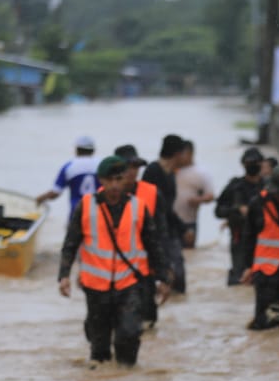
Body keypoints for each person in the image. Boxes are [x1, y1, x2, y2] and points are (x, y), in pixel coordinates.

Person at [57, 156, 172, 367]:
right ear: (101, 180)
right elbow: (71, 243)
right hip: (96, 287)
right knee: (99, 347)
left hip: (128, 284)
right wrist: (64, 275)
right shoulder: (85, 206)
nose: (114, 185)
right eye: (109, 180)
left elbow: (153, 245)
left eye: (119, 179)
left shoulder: (138, 207)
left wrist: (163, 278)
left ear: (125, 179)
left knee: (129, 334)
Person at [239, 165, 279, 330]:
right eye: (278, 192)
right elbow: (248, 237)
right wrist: (247, 266)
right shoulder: (258, 203)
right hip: (265, 271)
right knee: (263, 321)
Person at [115, 144, 171, 327]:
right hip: (112, 273)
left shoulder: (152, 194)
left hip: (144, 272)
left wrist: (164, 274)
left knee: (147, 324)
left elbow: (162, 236)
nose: (132, 172)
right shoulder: (102, 197)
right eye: (127, 167)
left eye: (135, 167)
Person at [142, 134, 188, 294]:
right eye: (184, 153)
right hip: (156, 233)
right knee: (163, 273)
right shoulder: (153, 171)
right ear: (177, 154)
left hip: (170, 230)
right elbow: (148, 206)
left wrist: (181, 227)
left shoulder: (171, 173)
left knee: (178, 277)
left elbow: (168, 207)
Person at [216, 147, 267, 285]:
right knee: (239, 279)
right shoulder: (235, 186)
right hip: (239, 238)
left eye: (256, 162)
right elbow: (218, 211)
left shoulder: (268, 187)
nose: (252, 165)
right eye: (249, 162)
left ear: (262, 164)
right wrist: (236, 209)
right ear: (243, 164)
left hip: (263, 239)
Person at [36, 135, 100, 216]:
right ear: (93, 150)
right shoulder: (101, 165)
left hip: (77, 212)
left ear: (76, 150)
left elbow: (55, 193)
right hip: (99, 213)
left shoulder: (69, 167)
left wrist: (40, 198)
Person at [171, 139, 215, 249]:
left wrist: (198, 200)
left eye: (182, 153)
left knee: (188, 252)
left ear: (190, 153)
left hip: (188, 222)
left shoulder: (201, 173)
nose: (180, 156)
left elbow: (210, 196)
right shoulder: (171, 170)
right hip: (170, 221)